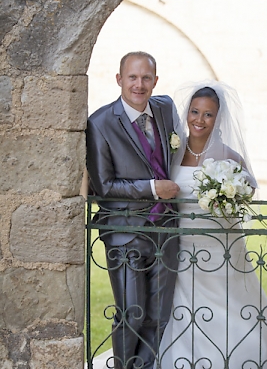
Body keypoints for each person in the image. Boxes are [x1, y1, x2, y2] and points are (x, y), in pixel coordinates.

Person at [154, 81, 267, 369]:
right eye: (195, 111)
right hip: (182, 246)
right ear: (187, 113)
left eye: (208, 114)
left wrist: (224, 199)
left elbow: (249, 189)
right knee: (186, 306)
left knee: (231, 302)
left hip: (221, 245)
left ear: (218, 119)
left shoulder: (227, 154)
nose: (200, 120)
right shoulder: (173, 152)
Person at [86, 51, 180, 369]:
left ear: (155, 80)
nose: (139, 85)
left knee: (158, 316)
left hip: (166, 230)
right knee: (131, 314)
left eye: (146, 78)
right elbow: (103, 186)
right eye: (132, 77)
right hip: (124, 232)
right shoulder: (99, 123)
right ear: (119, 79)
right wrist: (152, 189)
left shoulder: (165, 108)